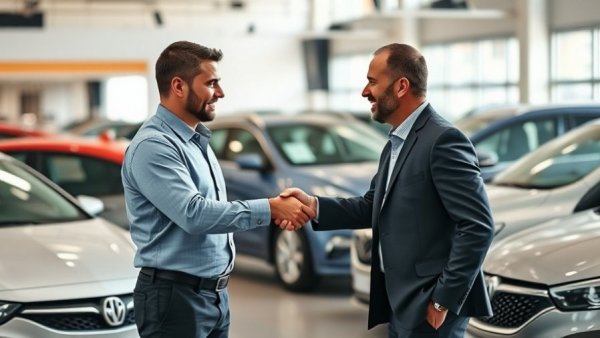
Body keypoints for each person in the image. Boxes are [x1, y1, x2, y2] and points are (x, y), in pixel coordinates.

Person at [279, 43, 494, 338]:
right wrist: (314, 205)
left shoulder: (443, 140)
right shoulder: (396, 142)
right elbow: (372, 207)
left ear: (402, 86)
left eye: (372, 81)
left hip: (430, 305)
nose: (365, 92)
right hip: (401, 301)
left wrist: (442, 299)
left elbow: (478, 226)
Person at [121, 41, 314, 338]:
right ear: (179, 86)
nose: (220, 93)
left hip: (213, 294)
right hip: (174, 298)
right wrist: (271, 207)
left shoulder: (197, 141)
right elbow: (194, 214)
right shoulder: (154, 146)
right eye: (211, 83)